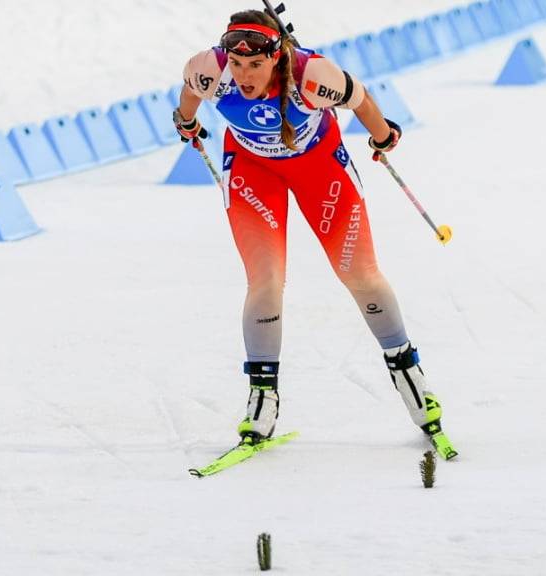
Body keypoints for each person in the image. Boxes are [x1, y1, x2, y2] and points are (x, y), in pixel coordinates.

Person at [174, 9, 455, 458]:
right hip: (253, 171)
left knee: (361, 277)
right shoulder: (209, 68)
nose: (244, 76)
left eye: (255, 65)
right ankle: (262, 399)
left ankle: (411, 380)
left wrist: (383, 137)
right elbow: (190, 93)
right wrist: (186, 120)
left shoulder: (311, 75)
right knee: (265, 281)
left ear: (276, 57)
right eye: (237, 65)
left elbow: (359, 97)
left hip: (320, 170)